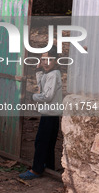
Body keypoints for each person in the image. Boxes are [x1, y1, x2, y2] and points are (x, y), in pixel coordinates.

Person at [19, 46, 63, 180]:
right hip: (52, 114)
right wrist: (38, 71)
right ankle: (49, 167)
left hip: (50, 114)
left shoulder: (53, 75)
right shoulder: (49, 74)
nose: (45, 62)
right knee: (48, 142)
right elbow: (42, 86)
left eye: (49, 59)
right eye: (43, 59)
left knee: (41, 141)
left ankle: (37, 169)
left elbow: (47, 96)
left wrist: (32, 97)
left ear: (56, 61)